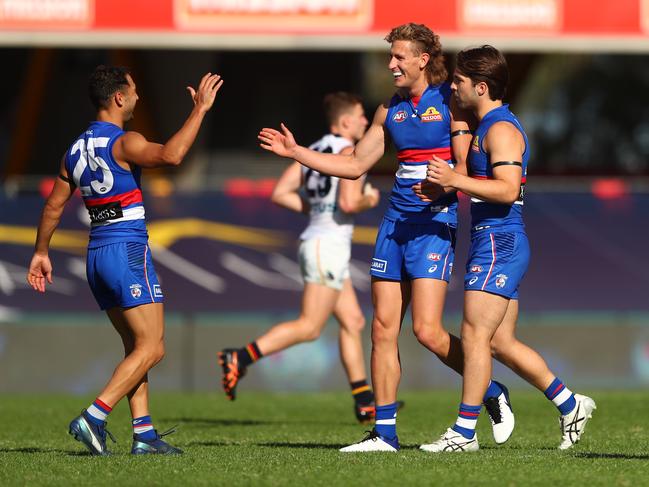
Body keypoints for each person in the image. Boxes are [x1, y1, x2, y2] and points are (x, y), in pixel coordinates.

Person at [259, 23, 515, 452]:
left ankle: (490, 390)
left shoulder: (452, 103)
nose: (391, 64)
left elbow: (467, 168)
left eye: (399, 57)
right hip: (394, 227)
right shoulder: (389, 109)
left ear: (422, 60)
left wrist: (446, 187)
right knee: (380, 329)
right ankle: (384, 433)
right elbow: (356, 164)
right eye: (390, 56)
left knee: (428, 333)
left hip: (434, 228)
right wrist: (298, 153)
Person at [26, 65, 223, 456]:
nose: (137, 98)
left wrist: (41, 252)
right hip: (127, 250)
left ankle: (144, 434)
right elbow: (173, 154)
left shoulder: (73, 150)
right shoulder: (124, 141)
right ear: (118, 98)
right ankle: (93, 416)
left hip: (96, 254)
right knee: (154, 347)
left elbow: (52, 206)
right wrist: (199, 109)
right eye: (133, 92)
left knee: (136, 346)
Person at [419, 45, 596, 453]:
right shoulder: (484, 124)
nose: (454, 87)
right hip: (492, 240)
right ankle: (571, 405)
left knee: (474, 335)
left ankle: (464, 434)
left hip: (501, 241)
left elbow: (507, 189)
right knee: (500, 343)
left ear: (481, 87)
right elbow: (469, 163)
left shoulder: (501, 130)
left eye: (460, 82)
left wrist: (455, 180)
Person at [218, 92, 385, 423]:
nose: (366, 121)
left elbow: (280, 193)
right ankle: (240, 357)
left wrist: (320, 210)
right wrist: (370, 198)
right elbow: (351, 203)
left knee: (353, 320)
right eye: (361, 115)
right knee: (309, 327)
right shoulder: (351, 153)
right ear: (347, 121)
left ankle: (364, 402)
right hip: (328, 246)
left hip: (320, 241)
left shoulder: (313, 150)